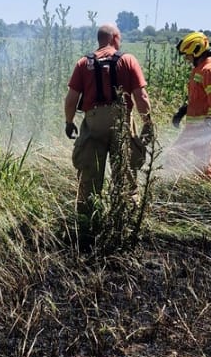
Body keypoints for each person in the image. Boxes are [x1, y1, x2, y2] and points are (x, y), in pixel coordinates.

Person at [64, 23, 154, 215]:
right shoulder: (128, 60)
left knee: (89, 176)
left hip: (94, 121)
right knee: (125, 174)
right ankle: (126, 219)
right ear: (114, 38)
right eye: (119, 38)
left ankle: (87, 221)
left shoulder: (83, 63)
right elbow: (142, 97)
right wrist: (148, 123)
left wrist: (69, 122)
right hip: (121, 120)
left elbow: (71, 99)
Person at [170, 31, 211, 179]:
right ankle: (193, 190)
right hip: (194, 127)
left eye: (187, 54)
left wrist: (210, 126)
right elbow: (199, 97)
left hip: (202, 127)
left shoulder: (209, 70)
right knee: (197, 164)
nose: (186, 58)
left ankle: (184, 190)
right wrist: (183, 111)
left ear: (197, 51)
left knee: (181, 158)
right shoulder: (199, 69)